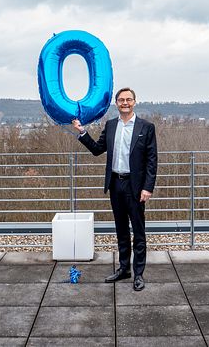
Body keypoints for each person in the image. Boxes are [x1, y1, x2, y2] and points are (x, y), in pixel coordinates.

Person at [72, 87, 158, 291]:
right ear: (116, 103)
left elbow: (152, 160)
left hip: (136, 187)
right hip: (115, 184)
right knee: (121, 230)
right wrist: (82, 131)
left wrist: (148, 187)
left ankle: (138, 274)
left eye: (129, 99)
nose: (125, 103)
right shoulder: (111, 125)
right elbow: (97, 150)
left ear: (135, 102)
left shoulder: (146, 127)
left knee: (138, 231)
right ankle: (123, 269)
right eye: (121, 100)